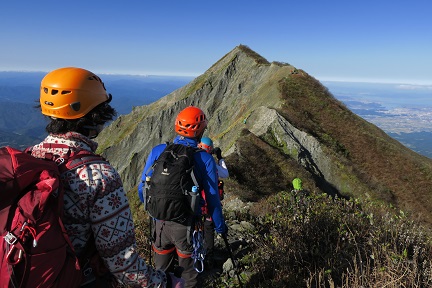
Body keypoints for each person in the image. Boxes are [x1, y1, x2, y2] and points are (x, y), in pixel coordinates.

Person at [30, 67, 183, 288]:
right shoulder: (98, 176)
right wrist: (166, 282)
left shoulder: (31, 156)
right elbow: (124, 266)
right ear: (95, 114)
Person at [138, 106, 227, 288]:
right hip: (186, 227)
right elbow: (212, 200)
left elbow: (142, 187)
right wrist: (220, 227)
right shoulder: (205, 159)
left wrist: (157, 210)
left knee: (161, 274)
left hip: (159, 225)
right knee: (188, 276)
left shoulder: (159, 150)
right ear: (201, 129)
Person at [197, 137, 229, 267]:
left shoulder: (193, 161)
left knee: (197, 230)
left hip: (194, 204)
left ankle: (197, 256)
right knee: (209, 228)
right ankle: (209, 258)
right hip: (207, 203)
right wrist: (220, 158)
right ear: (209, 149)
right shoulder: (211, 164)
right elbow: (225, 174)